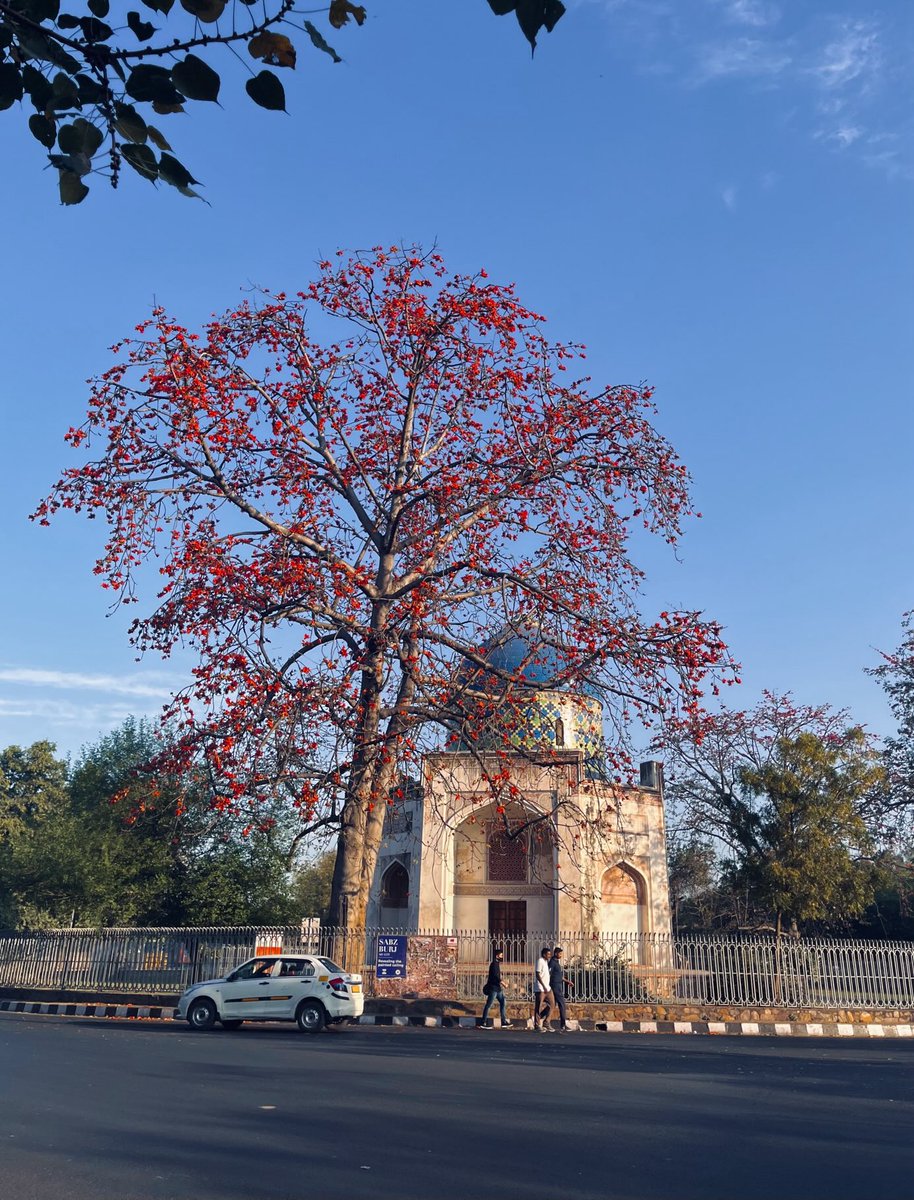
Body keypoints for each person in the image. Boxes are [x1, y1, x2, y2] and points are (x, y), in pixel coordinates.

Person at [481, 947, 512, 1028]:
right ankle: (483, 1022)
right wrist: (503, 983)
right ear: (497, 956)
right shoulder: (494, 964)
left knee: (503, 1002)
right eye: (501, 955)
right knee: (489, 1005)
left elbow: (497, 976)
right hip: (493, 988)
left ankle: (504, 1022)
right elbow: (495, 976)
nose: (502, 957)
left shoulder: (497, 963)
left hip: (498, 988)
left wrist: (502, 983)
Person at [549, 946, 574, 1032]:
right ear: (556, 953)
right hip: (555, 986)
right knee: (562, 1004)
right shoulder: (552, 962)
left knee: (552, 1005)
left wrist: (567, 981)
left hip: (558, 985)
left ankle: (539, 1018)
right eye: (560, 954)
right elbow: (548, 974)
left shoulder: (556, 962)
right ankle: (563, 1025)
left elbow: (559, 975)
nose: (561, 955)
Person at [533, 946, 553, 1031]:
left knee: (552, 1004)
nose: (549, 955)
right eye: (548, 954)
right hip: (541, 988)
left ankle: (546, 1022)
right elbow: (537, 974)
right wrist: (543, 986)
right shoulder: (540, 961)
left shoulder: (545, 962)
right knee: (539, 1006)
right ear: (544, 954)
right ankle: (537, 1025)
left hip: (547, 988)